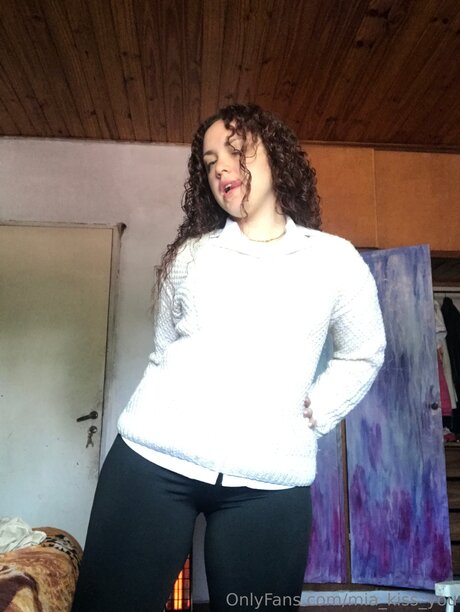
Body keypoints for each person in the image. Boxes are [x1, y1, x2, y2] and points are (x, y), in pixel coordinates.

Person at [71, 103, 386, 612]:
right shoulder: (190, 257)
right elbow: (164, 349)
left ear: (275, 156)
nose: (220, 167)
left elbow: (363, 353)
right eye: (210, 161)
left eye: (236, 150)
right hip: (152, 461)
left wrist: (319, 409)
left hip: (269, 483)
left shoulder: (334, 261)